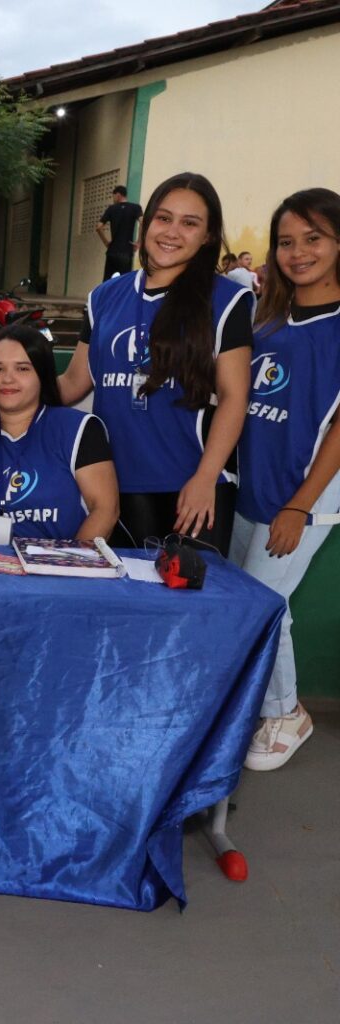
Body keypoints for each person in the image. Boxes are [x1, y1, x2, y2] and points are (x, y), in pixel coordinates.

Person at [61, 171, 254, 553]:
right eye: (164, 218)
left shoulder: (226, 300)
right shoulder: (104, 297)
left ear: (208, 236)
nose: (172, 232)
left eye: (189, 223)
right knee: (125, 590)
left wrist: (206, 477)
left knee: (192, 592)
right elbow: (72, 384)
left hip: (193, 488)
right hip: (117, 485)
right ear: (147, 223)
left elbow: (235, 396)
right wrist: (1, 395)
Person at [230, 188, 340, 771]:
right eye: (286, 241)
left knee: (261, 601)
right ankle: (255, 704)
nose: (298, 252)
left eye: (313, 238)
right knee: (247, 598)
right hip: (253, 484)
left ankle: (285, 712)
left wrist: (299, 506)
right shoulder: (266, 317)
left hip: (306, 492)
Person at [0, 325, 118, 544]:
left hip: (67, 563)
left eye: (22, 369)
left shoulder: (78, 429)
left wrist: (70, 561)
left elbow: (105, 509)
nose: (7, 379)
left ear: (42, 375)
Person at [96, 184, 143, 281]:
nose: (113, 199)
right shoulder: (135, 207)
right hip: (126, 251)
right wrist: (138, 242)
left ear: (118, 195)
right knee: (123, 282)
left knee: (108, 282)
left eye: (113, 196)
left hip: (112, 251)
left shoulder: (111, 209)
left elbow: (99, 227)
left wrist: (106, 243)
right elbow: (142, 222)